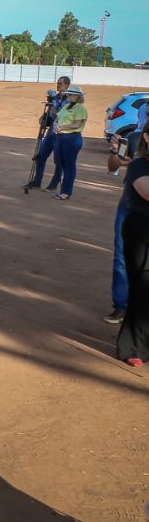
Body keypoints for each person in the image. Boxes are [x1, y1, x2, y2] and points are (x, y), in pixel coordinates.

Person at [115, 127, 149, 367]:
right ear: (146, 137)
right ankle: (133, 346)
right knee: (142, 289)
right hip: (141, 233)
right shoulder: (138, 165)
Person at [106, 134, 135, 325]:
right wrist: (115, 151)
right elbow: (113, 166)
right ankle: (121, 306)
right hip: (129, 206)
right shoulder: (134, 138)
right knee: (121, 257)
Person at [27, 76, 72, 190]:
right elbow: (49, 113)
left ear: (67, 85)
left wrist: (56, 114)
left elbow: (67, 119)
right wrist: (44, 118)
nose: (58, 85)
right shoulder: (54, 98)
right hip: (51, 131)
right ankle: (37, 181)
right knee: (41, 156)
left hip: (61, 132)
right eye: (57, 83)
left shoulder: (70, 101)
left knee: (58, 160)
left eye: (60, 84)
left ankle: (54, 184)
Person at [50, 85, 88, 200]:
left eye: (71, 94)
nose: (69, 96)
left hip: (72, 138)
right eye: (68, 94)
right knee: (61, 163)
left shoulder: (80, 108)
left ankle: (66, 191)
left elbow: (77, 124)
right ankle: (64, 190)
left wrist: (61, 127)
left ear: (77, 96)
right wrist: (56, 124)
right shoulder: (66, 106)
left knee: (69, 165)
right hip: (61, 137)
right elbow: (58, 118)